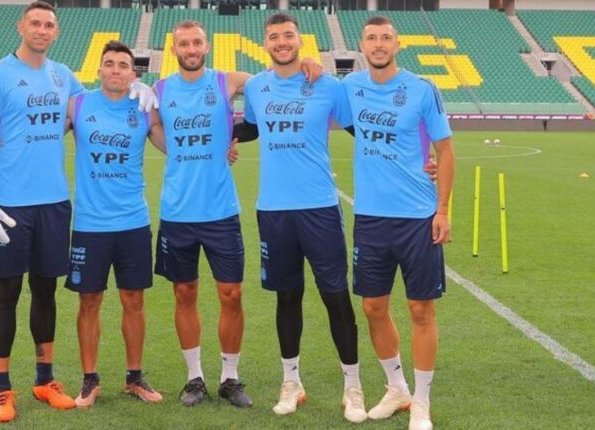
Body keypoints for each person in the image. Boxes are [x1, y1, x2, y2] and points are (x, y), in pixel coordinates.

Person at [0, 2, 156, 422]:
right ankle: (1, 388)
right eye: (34, 22)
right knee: (6, 293)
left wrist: (143, 89)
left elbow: (94, 106)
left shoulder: (62, 77)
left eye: (49, 24)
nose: (41, 29)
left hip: (54, 203)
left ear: (56, 32)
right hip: (10, 205)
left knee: (46, 290)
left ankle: (45, 378)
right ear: (21, 26)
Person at [153, 19, 320, 408]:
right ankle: (194, 378)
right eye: (183, 44)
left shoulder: (227, 81)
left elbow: (271, 77)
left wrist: (306, 62)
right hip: (177, 210)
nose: (191, 49)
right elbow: (153, 127)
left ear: (206, 46)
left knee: (231, 294)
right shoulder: (159, 90)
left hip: (220, 211)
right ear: (174, 48)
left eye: (196, 42)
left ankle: (230, 377)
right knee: (184, 292)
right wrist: (173, 151)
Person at [237, 12, 367, 422]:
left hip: (319, 208)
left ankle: (353, 385)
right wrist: (221, 136)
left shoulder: (328, 85)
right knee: (287, 296)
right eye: (274, 36)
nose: (281, 41)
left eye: (287, 35)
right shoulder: (257, 87)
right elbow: (252, 129)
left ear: (300, 40)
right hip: (273, 211)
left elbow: (360, 131)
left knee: (335, 295)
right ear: (266, 43)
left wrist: (416, 155)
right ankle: (291, 381)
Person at [341, 16, 455, 430]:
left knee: (420, 308)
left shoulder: (423, 89)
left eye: (385, 37)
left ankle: (421, 402)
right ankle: (397, 388)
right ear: (362, 44)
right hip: (371, 218)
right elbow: (317, 103)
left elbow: (444, 151)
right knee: (373, 306)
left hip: (418, 218)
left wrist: (442, 209)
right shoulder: (350, 87)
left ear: (397, 44)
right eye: (371, 37)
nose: (378, 43)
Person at [64, 40, 166, 408]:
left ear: (133, 73)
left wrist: (224, 146)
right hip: (90, 224)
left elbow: (176, 145)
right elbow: (40, 136)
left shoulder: (143, 109)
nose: (116, 70)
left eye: (124, 65)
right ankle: (90, 380)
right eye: (109, 64)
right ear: (99, 70)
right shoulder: (78, 104)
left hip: (132, 222)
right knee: (89, 301)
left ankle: (134, 377)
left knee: (134, 300)